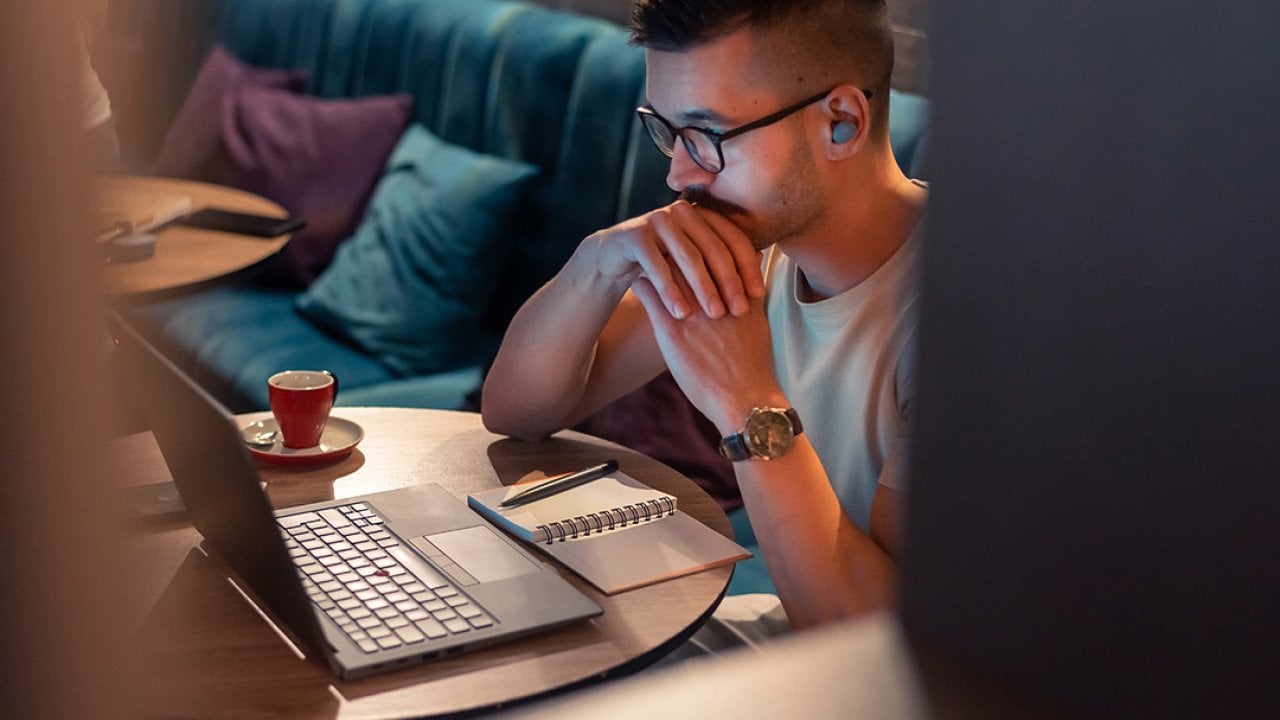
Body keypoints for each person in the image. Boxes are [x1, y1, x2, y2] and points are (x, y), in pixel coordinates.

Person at [482, 0, 927, 644]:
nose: (677, 173)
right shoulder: (753, 246)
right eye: (667, 132)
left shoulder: (967, 323)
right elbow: (516, 412)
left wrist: (748, 404)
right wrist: (598, 263)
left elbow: (880, 644)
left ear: (841, 122)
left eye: (707, 136)